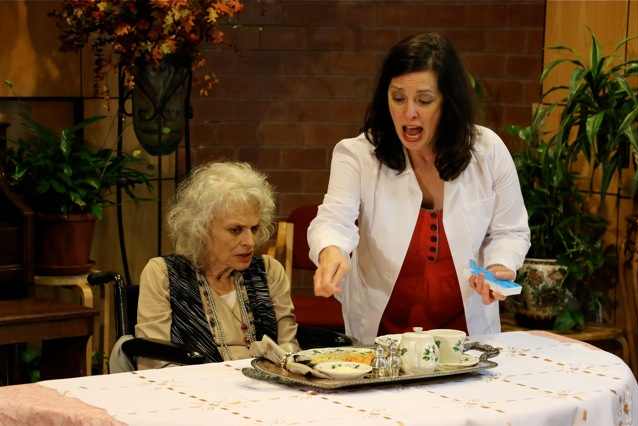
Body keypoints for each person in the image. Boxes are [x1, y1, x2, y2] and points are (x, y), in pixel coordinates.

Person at [307, 33, 530, 345]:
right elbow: (333, 221)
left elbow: (511, 230)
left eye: (424, 100)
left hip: (465, 331)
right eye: (398, 98)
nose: (408, 112)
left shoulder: (487, 150)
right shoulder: (357, 154)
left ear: (448, 103)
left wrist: (499, 266)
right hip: (382, 332)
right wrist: (331, 251)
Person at [135, 162, 299, 368]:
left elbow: (289, 349)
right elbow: (155, 360)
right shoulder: (162, 273)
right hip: (190, 392)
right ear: (201, 229)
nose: (250, 242)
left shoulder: (269, 271)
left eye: (254, 228)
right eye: (236, 230)